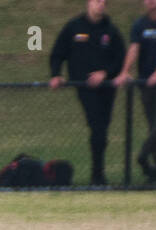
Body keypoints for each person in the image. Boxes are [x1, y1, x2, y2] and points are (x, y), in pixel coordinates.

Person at [50, 0, 127, 185]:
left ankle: (98, 173)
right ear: (88, 3)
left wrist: (105, 73)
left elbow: (120, 58)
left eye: (103, 2)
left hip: (106, 88)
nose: (99, 5)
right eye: (96, 1)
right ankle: (97, 175)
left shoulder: (111, 30)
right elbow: (58, 52)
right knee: (97, 126)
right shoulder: (74, 27)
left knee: (102, 129)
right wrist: (56, 74)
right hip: (85, 87)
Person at [114, 0, 156, 183]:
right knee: (153, 127)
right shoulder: (139, 24)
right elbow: (134, 48)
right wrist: (125, 71)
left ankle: (142, 155)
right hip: (145, 84)